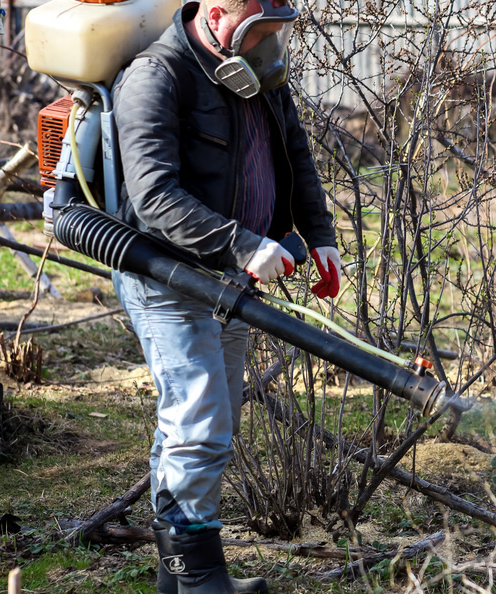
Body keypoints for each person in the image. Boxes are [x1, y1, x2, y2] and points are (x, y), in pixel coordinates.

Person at [112, 0, 341, 591]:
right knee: (200, 422)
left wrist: (320, 238)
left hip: (230, 280)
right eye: (258, 30)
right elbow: (155, 197)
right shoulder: (157, 77)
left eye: (276, 31)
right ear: (216, 16)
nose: (269, 43)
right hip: (170, 277)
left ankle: (177, 575)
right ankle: (200, 580)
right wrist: (242, 244)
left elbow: (297, 157)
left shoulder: (257, 72)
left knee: (205, 421)